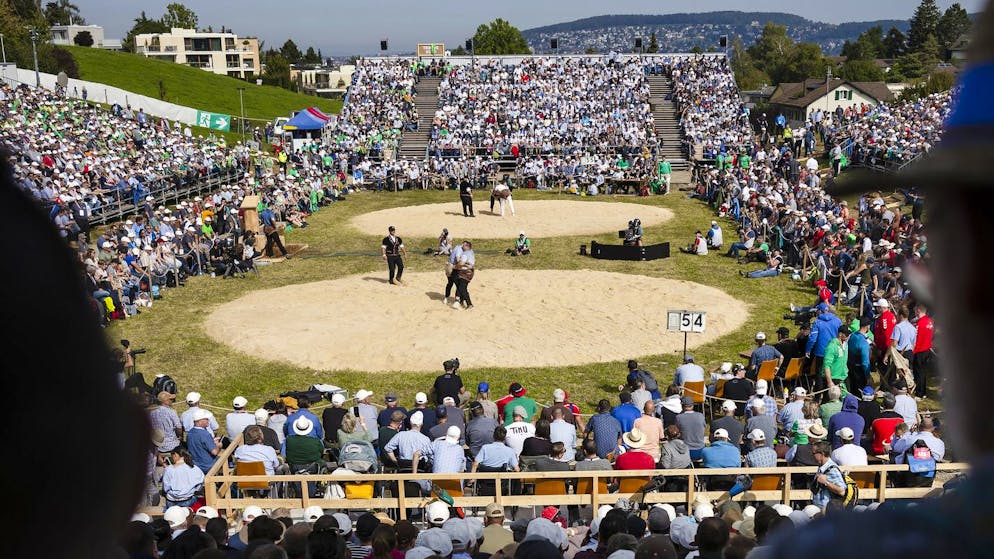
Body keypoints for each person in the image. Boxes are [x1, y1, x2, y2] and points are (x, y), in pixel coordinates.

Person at [810, 441, 847, 510]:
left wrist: (826, 483)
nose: (812, 455)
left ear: (822, 454)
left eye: (813, 453)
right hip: (820, 508)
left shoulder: (832, 469)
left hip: (827, 510)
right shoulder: (822, 466)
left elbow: (842, 491)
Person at [911, 306, 935, 399]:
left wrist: (914, 350)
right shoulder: (930, 321)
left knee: (918, 372)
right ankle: (923, 391)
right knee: (923, 372)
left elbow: (917, 338)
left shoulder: (920, 323)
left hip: (920, 350)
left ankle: (919, 393)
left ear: (918, 310)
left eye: (915, 311)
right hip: (927, 349)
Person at [675, 396, 706, 460]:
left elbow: (677, 433)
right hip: (700, 450)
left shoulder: (679, 418)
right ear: (692, 405)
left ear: (682, 406)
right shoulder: (701, 416)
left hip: (685, 451)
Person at [452, 240, 476, 310]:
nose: (462, 246)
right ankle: (461, 301)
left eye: (464, 245)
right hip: (469, 272)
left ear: (467, 246)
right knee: (460, 286)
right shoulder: (471, 252)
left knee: (462, 288)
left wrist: (455, 267)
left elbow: (461, 263)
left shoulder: (465, 253)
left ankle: (469, 304)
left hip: (465, 273)